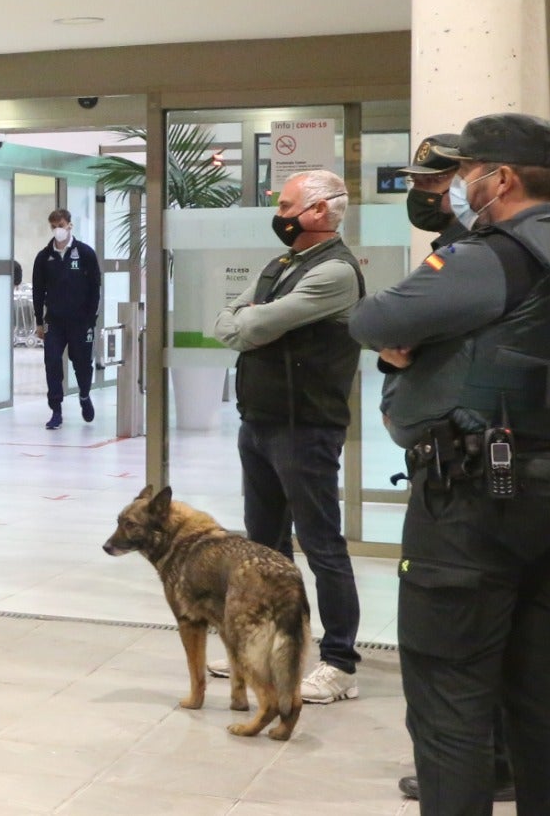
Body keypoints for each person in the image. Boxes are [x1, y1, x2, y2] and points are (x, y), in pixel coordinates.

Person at [349, 114, 550, 815]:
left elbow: (373, 321)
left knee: (450, 696)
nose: (459, 187)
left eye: (466, 173)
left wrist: (412, 346)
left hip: (475, 497)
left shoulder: (489, 255)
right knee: (536, 686)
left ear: (499, 179)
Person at [393, 136, 517, 805]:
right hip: (460, 456)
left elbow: (385, 323)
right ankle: (491, 760)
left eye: (437, 183)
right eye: (420, 183)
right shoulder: (455, 246)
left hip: (475, 463)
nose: (426, 195)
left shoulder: (481, 254)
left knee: (462, 641)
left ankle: (483, 766)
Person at [212, 168, 365, 704]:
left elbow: (250, 327)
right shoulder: (281, 264)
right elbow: (228, 320)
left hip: (305, 430)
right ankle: (268, 648)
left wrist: (251, 319)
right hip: (259, 424)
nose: (279, 217)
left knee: (323, 547)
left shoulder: (337, 272)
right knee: (264, 550)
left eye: (287, 207)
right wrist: (249, 318)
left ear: (320, 212)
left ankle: (340, 662)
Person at [31, 208, 102, 429]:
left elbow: (94, 288)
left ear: (70, 225)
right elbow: (38, 291)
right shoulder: (44, 257)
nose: (57, 230)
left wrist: (91, 318)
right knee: (52, 362)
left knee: (81, 362)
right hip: (55, 320)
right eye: (53, 227)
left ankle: (83, 395)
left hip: (81, 321)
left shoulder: (85, 254)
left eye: (60, 225)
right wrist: (39, 322)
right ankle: (56, 409)